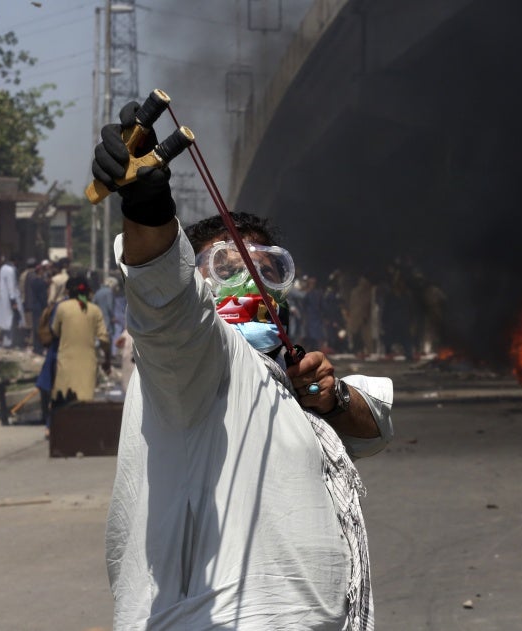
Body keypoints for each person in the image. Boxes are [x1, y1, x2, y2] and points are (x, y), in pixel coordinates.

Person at [92, 101, 394, 630]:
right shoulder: (199, 358)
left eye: (263, 269)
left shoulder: (281, 375)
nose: (247, 283)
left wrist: (330, 396)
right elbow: (166, 305)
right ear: (200, 283)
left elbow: (376, 428)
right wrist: (148, 209)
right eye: (224, 268)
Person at [50, 274, 111, 404]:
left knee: (63, 402)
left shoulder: (62, 308)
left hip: (65, 361)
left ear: (68, 291)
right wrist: (107, 359)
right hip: (87, 364)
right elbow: (104, 339)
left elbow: (55, 332)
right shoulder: (95, 310)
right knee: (84, 403)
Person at [0, 254, 26, 349]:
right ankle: (9, 343)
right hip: (11, 299)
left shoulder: (3, 268)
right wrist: (13, 301)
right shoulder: (11, 270)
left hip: (4, 298)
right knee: (11, 321)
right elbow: (11, 287)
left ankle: (6, 342)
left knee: (6, 321)